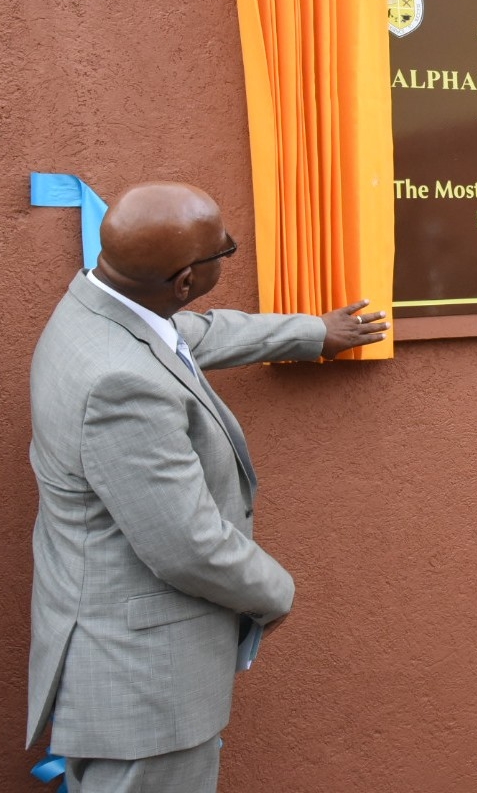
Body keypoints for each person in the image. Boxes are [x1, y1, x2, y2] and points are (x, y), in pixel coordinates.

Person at [26, 181, 389, 793]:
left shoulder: (95, 307)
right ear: (184, 281)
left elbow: (194, 338)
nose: (228, 251)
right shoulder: (120, 385)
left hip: (116, 649)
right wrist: (278, 592)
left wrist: (311, 334)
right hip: (144, 687)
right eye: (224, 251)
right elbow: (187, 545)